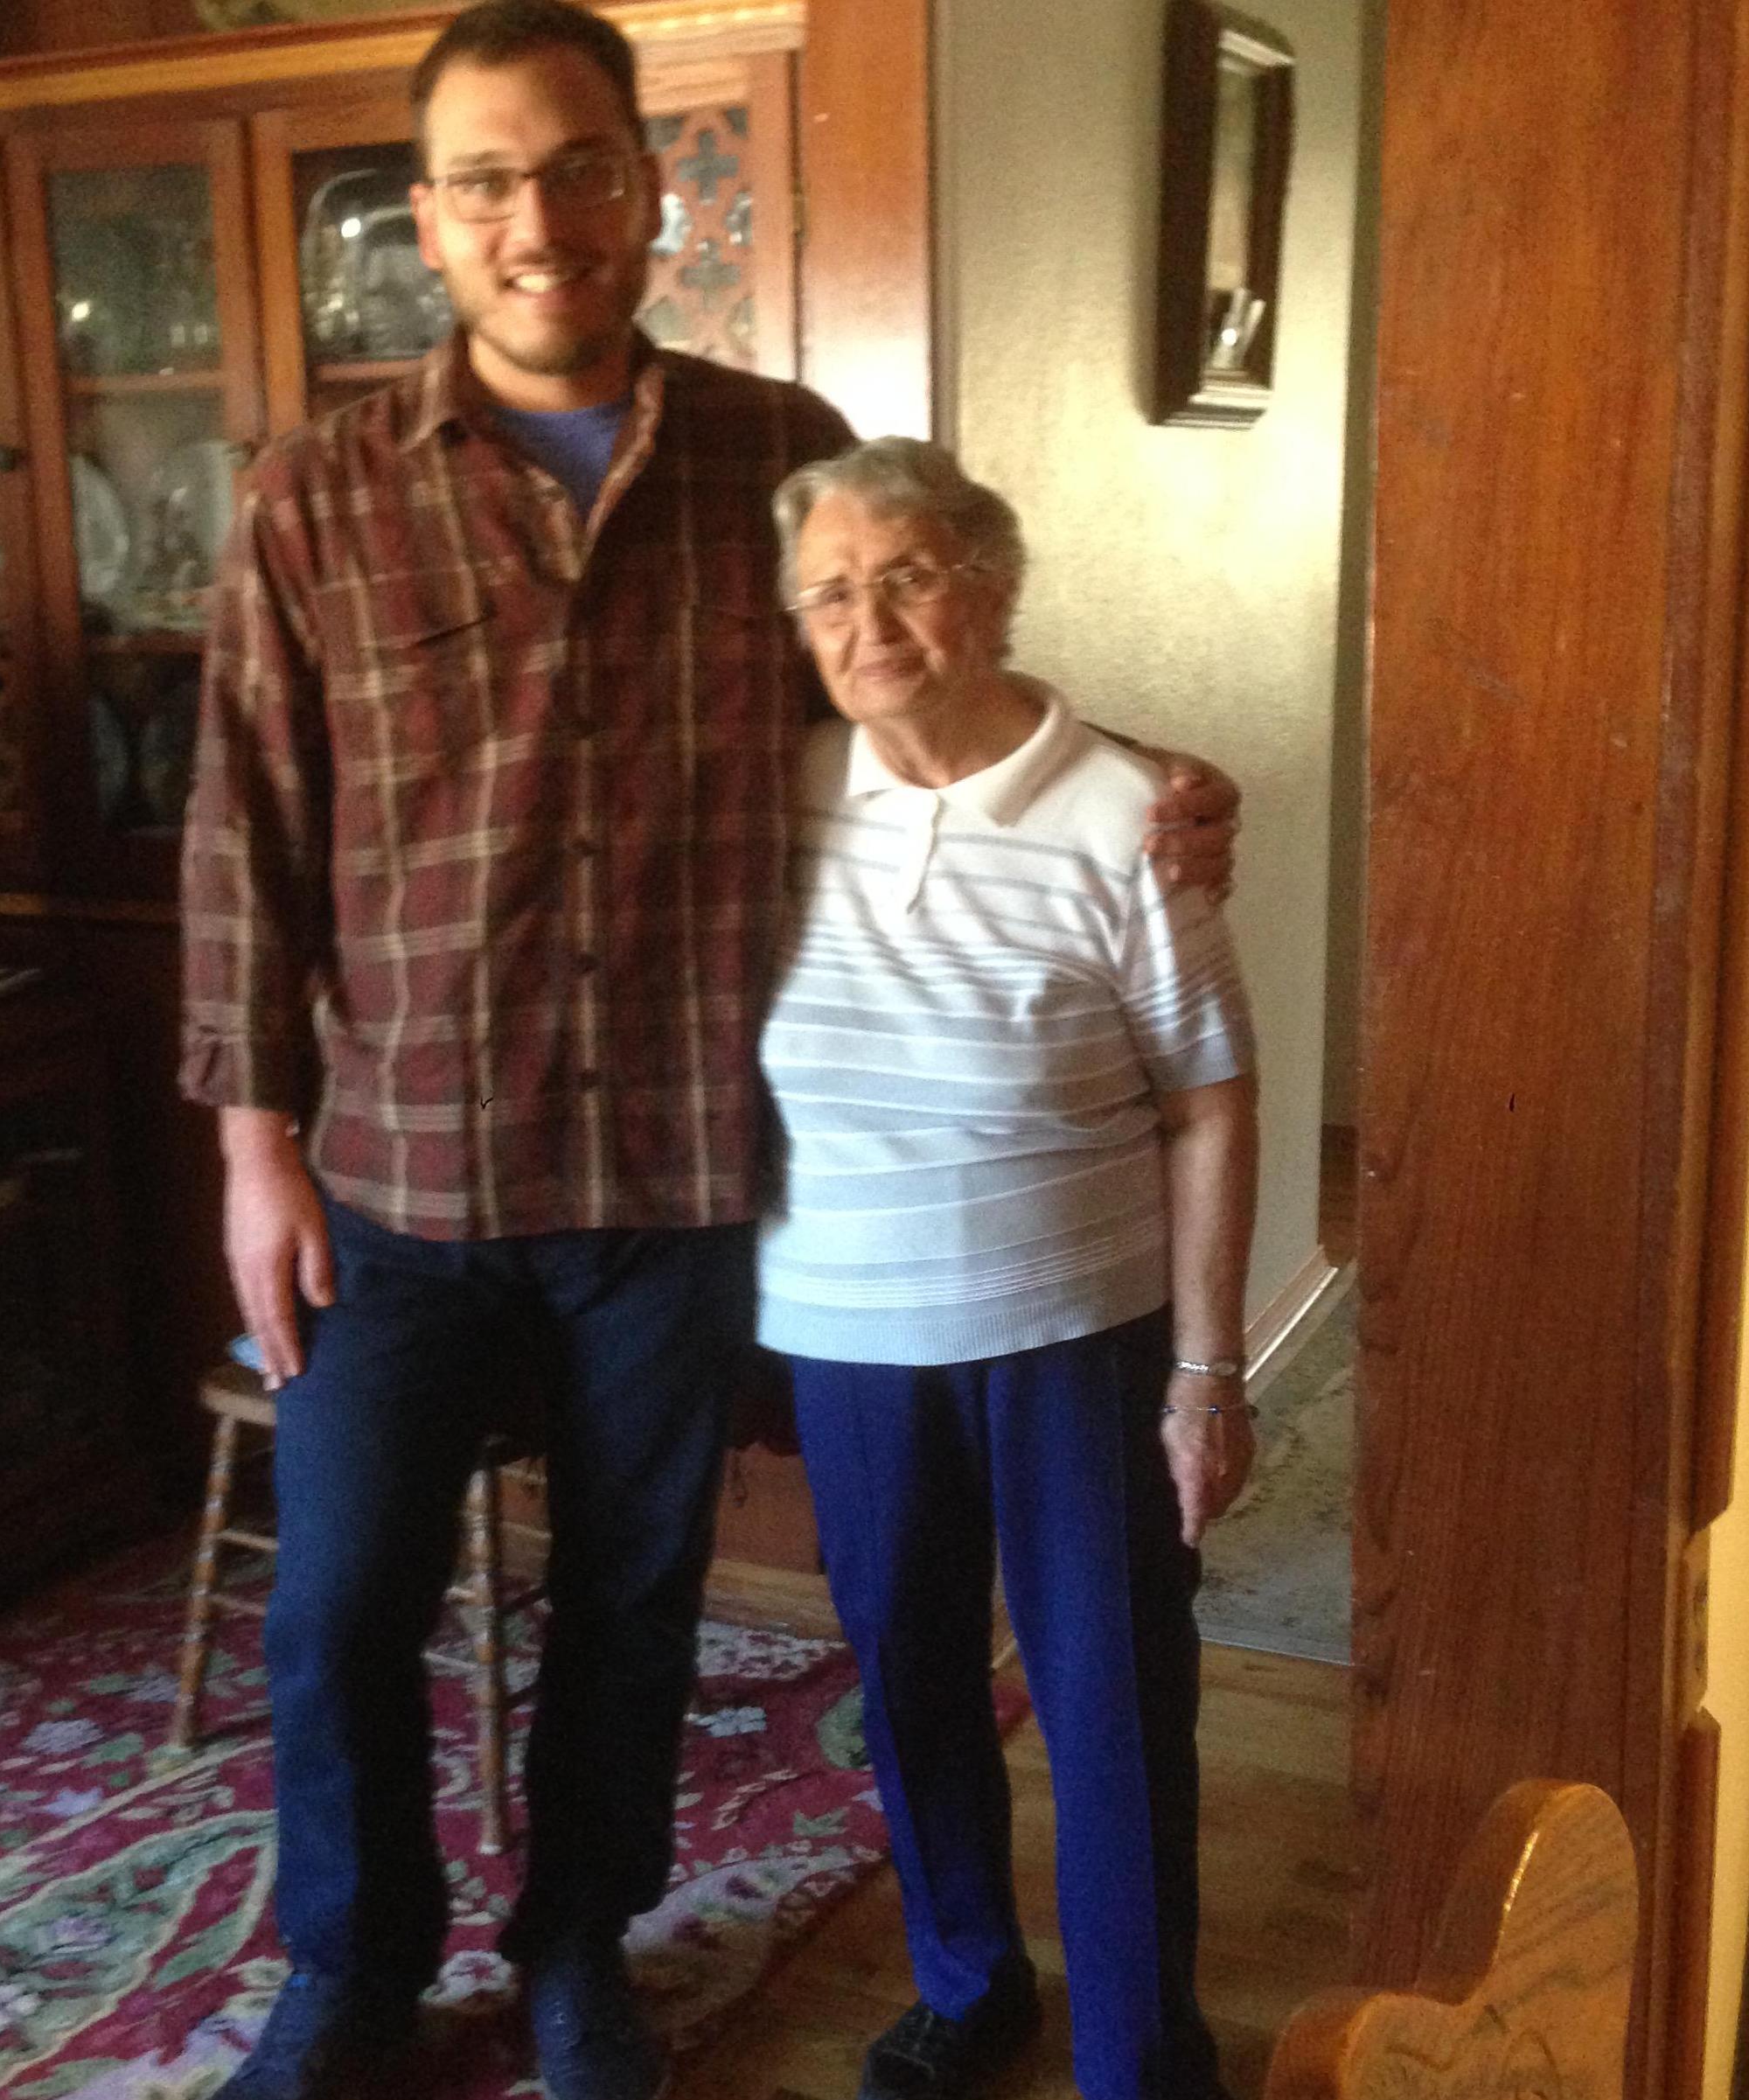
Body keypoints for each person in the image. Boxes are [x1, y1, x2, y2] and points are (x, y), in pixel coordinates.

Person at [178, 9, 1242, 2098]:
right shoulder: (314, 497)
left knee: (633, 1600)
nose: (538, 218)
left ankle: (580, 1945)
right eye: (485, 179)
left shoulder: (775, 451)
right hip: (401, 1166)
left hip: (673, 1178)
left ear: (645, 191)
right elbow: (246, 829)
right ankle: (353, 1967)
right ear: (427, 222)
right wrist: (251, 1140)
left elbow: (911, 676)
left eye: (578, 165)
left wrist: (1141, 780)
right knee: (341, 1603)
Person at [756, 436, 1258, 2100]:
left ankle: (1139, 2050)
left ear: (992, 586)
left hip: (1076, 1333)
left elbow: (1208, 1097)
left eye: (903, 577)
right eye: (829, 592)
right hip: (844, 1329)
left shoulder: (1133, 813)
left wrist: (1206, 1374)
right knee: (908, 1682)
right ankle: (968, 1982)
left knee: (1110, 1701)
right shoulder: (774, 804)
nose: (867, 621)